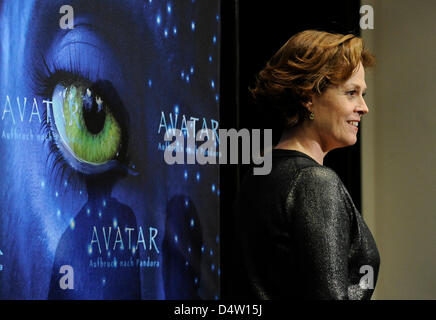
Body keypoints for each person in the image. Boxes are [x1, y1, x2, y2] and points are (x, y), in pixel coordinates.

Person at [230, 30, 380, 299]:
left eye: (363, 94)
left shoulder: (258, 172)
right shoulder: (315, 182)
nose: (363, 107)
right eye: (351, 93)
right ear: (308, 97)